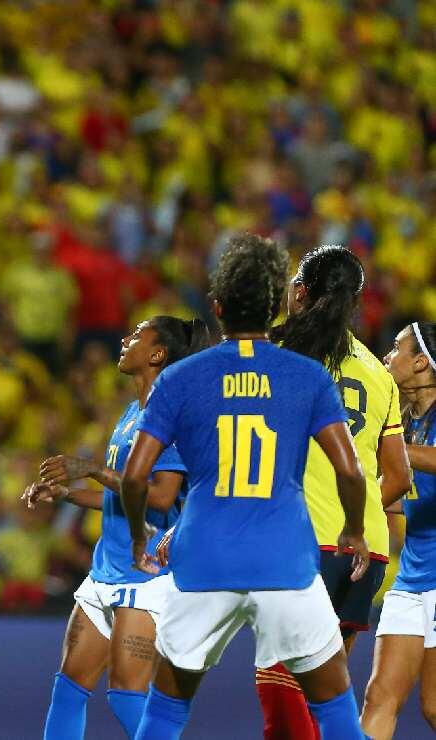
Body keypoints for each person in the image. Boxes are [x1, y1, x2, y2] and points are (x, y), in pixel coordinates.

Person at [119, 233, 369, 739]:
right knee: (335, 709)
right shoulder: (306, 376)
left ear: (216, 307)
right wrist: (354, 529)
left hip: (203, 560)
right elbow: (350, 471)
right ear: (278, 302)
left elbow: (135, 475)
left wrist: (140, 537)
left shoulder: (180, 378)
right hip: (286, 564)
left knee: (166, 712)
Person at [30, 316, 210, 739]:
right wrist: (68, 494)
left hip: (147, 574)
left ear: (157, 353)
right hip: (105, 570)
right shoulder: (133, 412)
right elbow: (124, 495)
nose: (125, 340)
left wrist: (90, 469)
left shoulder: (175, 416)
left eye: (137, 335)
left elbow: (161, 497)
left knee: (127, 692)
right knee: (69, 686)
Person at [259, 246, 412, 739]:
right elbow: (399, 475)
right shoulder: (377, 372)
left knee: (280, 680)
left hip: (304, 541)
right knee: (325, 690)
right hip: (366, 547)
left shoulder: (280, 358)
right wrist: (360, 510)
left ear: (299, 293)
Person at [360, 321, 436, 739]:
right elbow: (392, 497)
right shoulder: (401, 422)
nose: (387, 357)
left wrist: (393, 452)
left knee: (434, 706)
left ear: (422, 362)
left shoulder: (400, 437)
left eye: (396, 348)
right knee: (378, 697)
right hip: (410, 579)